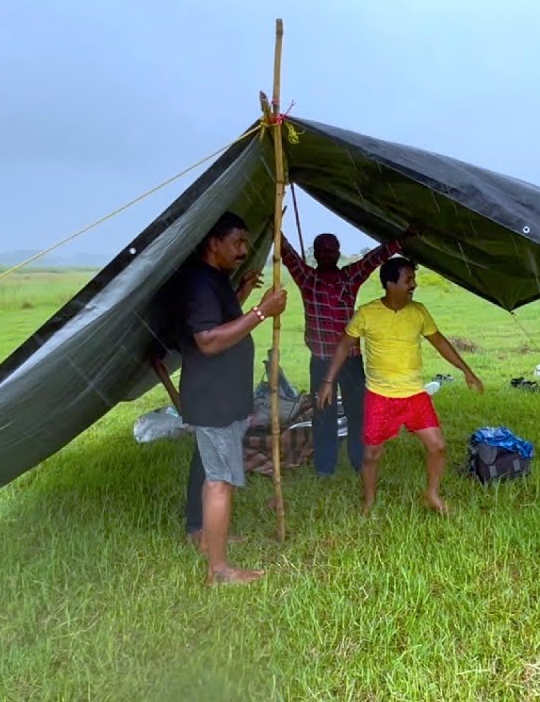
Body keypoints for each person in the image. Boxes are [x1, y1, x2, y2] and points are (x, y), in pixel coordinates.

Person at [318, 256, 482, 516]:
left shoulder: (418, 312)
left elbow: (439, 342)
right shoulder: (367, 313)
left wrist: (467, 371)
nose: (413, 284)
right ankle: (369, 500)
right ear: (390, 283)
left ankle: (432, 495)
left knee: (437, 445)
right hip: (380, 397)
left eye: (413, 279)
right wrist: (328, 382)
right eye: (408, 280)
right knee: (371, 454)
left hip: (414, 394)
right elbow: (344, 346)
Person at [176, 211, 287, 585]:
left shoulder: (216, 279)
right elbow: (208, 341)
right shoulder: (199, 283)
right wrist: (261, 311)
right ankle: (219, 570)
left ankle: (209, 538)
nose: (244, 250)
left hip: (224, 396)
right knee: (219, 481)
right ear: (214, 243)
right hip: (215, 400)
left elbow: (219, 321)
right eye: (238, 242)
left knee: (212, 473)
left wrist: (241, 296)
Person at [280, 229, 413, 475]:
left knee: (357, 413)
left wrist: (400, 240)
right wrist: (274, 230)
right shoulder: (307, 279)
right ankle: (325, 467)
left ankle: (358, 461)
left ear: (338, 254)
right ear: (316, 254)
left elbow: (374, 259)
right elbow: (288, 256)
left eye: (331, 250)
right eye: (322, 250)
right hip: (321, 361)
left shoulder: (349, 277)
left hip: (350, 360)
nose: (327, 254)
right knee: (323, 414)